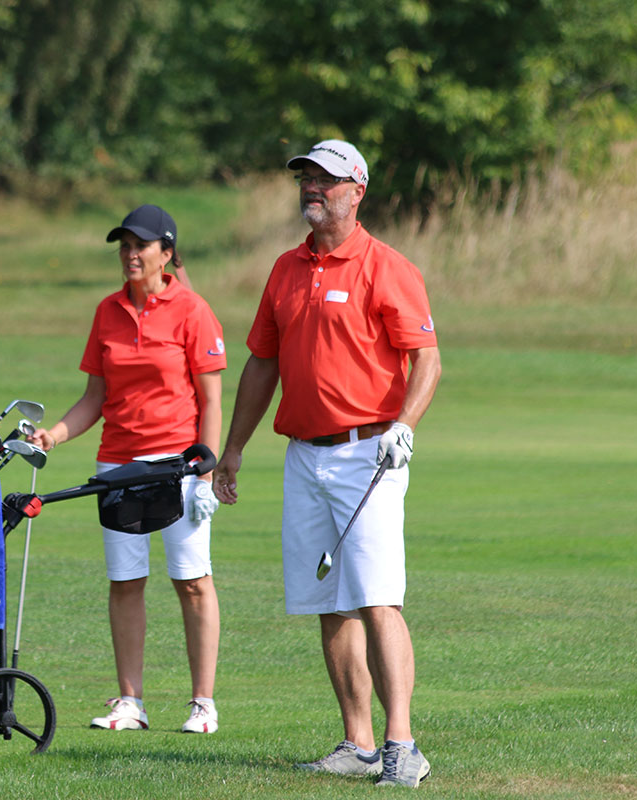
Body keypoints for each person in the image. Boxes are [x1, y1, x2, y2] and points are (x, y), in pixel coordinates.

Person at [212, 140, 442, 787]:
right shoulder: (286, 269)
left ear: (357, 190)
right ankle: (358, 742)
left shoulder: (386, 266)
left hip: (370, 453)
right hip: (304, 455)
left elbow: (427, 358)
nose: (313, 188)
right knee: (330, 602)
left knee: (377, 598)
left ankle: (402, 745)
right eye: (306, 178)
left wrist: (404, 425)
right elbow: (263, 363)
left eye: (327, 179)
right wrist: (234, 449)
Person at [26, 204, 226, 734]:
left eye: (141, 246)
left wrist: (205, 474)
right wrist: (54, 435)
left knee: (192, 582)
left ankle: (203, 704)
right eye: (124, 246)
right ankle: (130, 702)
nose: (130, 254)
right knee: (125, 582)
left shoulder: (193, 310)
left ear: (166, 252)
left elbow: (211, 400)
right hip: (117, 463)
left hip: (177, 466)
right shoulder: (107, 311)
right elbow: (95, 397)